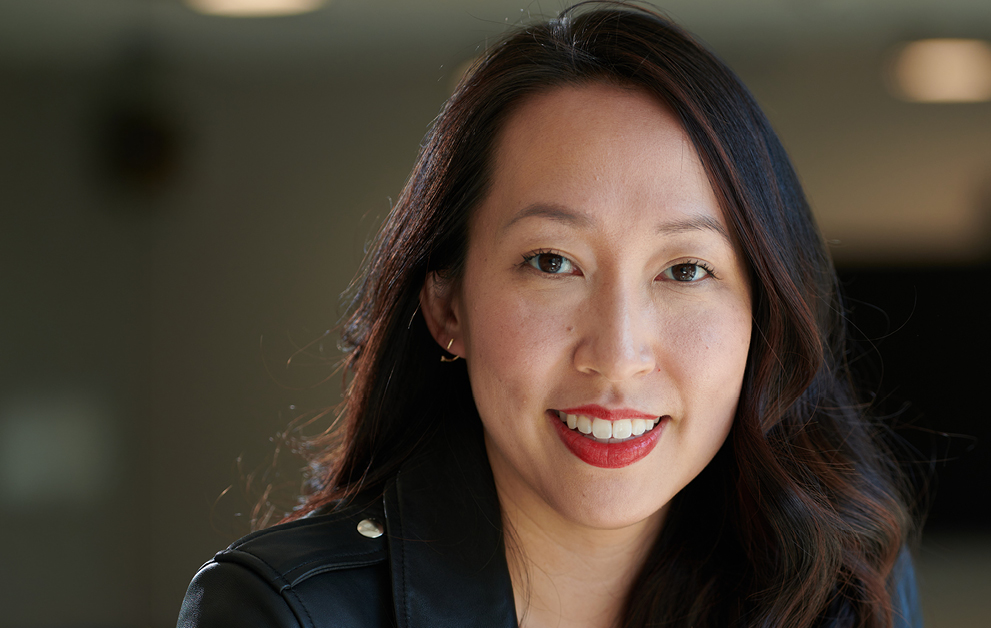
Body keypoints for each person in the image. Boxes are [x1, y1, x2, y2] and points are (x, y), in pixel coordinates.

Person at [178, 3, 922, 627]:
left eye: (685, 270)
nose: (618, 352)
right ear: (446, 307)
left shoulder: (846, 590)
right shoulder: (286, 613)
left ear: (763, 319)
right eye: (552, 262)